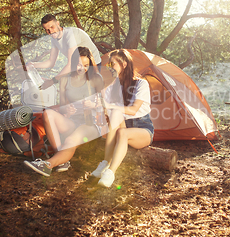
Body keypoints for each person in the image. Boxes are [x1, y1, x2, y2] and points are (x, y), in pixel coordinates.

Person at [24, 47, 106, 176]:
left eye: (86, 65)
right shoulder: (65, 80)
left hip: (90, 123)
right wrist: (66, 109)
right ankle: (62, 160)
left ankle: (47, 165)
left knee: (69, 141)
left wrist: (94, 104)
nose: (82, 68)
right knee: (48, 114)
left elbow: (104, 104)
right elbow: (62, 107)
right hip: (72, 121)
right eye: (79, 64)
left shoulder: (96, 78)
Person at [91, 49, 154, 188]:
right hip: (122, 126)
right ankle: (105, 162)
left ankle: (110, 173)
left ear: (124, 64)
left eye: (112, 64)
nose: (110, 67)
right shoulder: (112, 86)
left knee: (121, 129)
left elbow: (133, 110)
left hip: (142, 128)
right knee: (116, 114)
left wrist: (109, 105)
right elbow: (106, 111)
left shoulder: (141, 84)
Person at [26, 14, 102, 90]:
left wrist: (52, 81)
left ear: (58, 23)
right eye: (47, 29)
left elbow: (70, 64)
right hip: (78, 66)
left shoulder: (69, 35)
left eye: (52, 27)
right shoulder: (54, 39)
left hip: (92, 65)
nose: (50, 31)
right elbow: (51, 62)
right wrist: (33, 64)